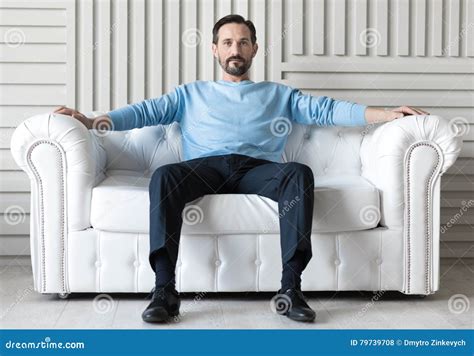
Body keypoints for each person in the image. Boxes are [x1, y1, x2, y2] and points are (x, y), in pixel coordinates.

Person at [54, 14, 430, 323]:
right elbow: (142, 112)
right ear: (216, 50)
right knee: (165, 174)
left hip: (257, 170)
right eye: (228, 43)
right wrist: (90, 121)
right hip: (205, 169)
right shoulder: (190, 94)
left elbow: (329, 109)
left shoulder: (279, 94)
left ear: (254, 48)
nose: (236, 49)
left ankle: (290, 287)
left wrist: (387, 113)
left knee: (298, 172)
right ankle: (165, 290)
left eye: (243, 42)